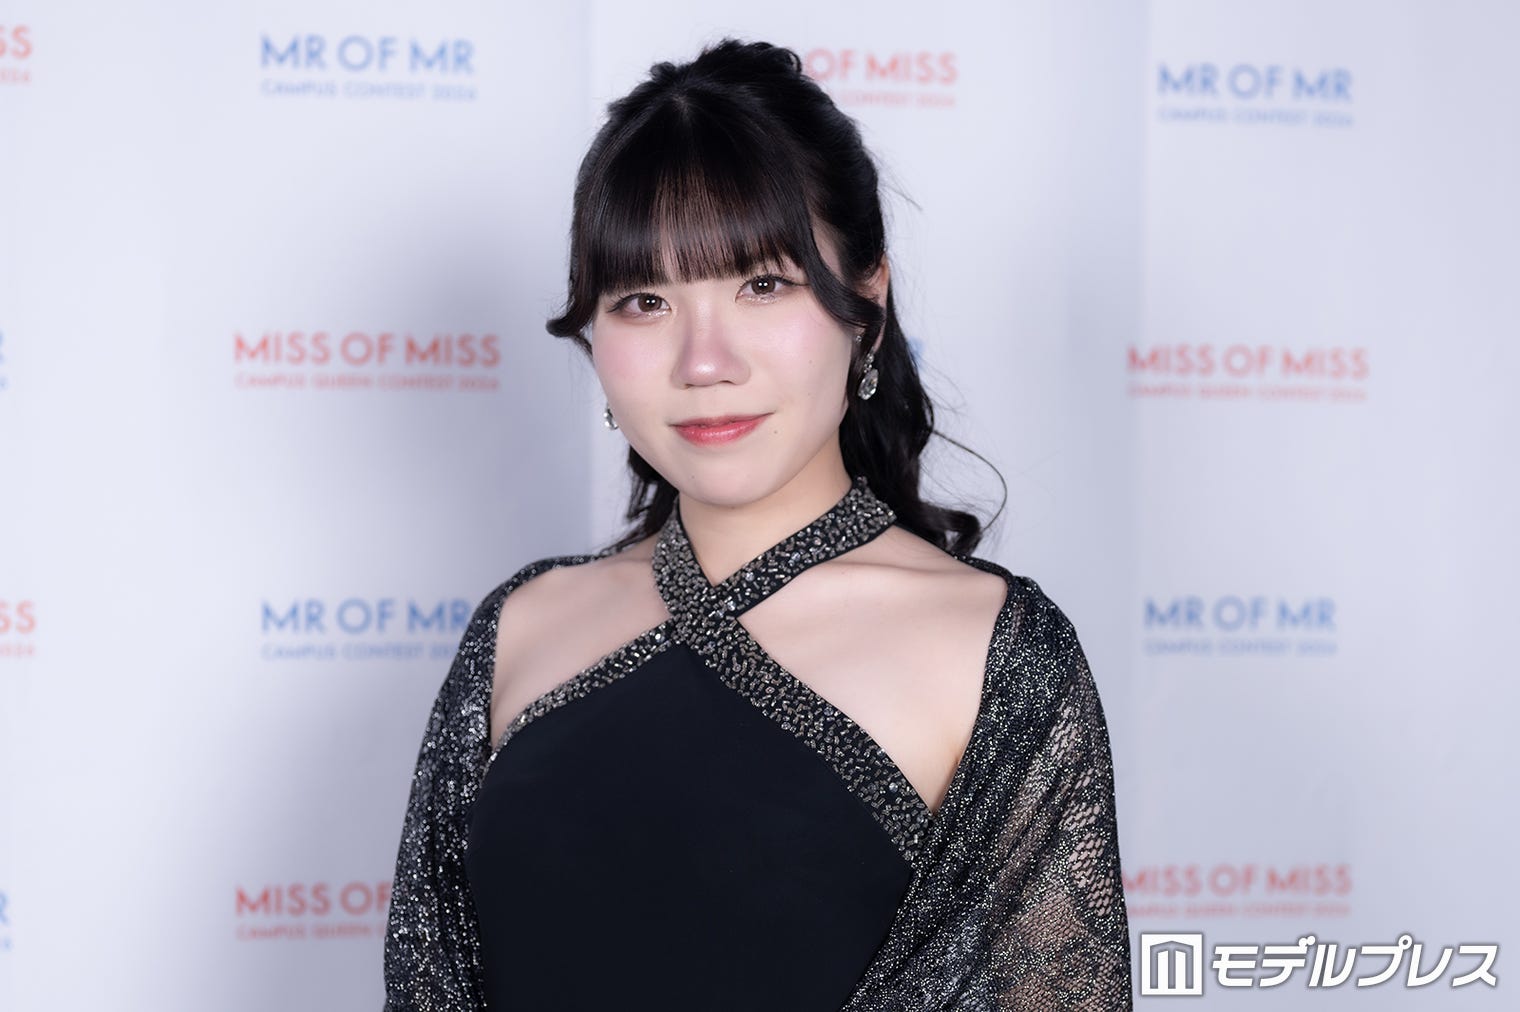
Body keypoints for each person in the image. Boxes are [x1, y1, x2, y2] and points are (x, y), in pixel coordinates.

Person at [384, 39, 1131, 1011]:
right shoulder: (521, 626)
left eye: (761, 285)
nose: (703, 362)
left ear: (866, 303)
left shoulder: (996, 650)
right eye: (644, 301)